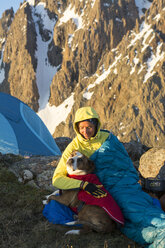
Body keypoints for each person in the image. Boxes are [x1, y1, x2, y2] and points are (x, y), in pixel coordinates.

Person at [51, 106, 165, 248]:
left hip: (124, 184)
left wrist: (132, 180)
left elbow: (125, 163)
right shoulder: (75, 147)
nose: (85, 132)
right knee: (129, 212)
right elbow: (56, 179)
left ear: (96, 125)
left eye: (89, 127)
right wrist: (83, 185)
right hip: (102, 188)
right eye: (81, 128)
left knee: (135, 208)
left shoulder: (109, 139)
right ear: (76, 128)